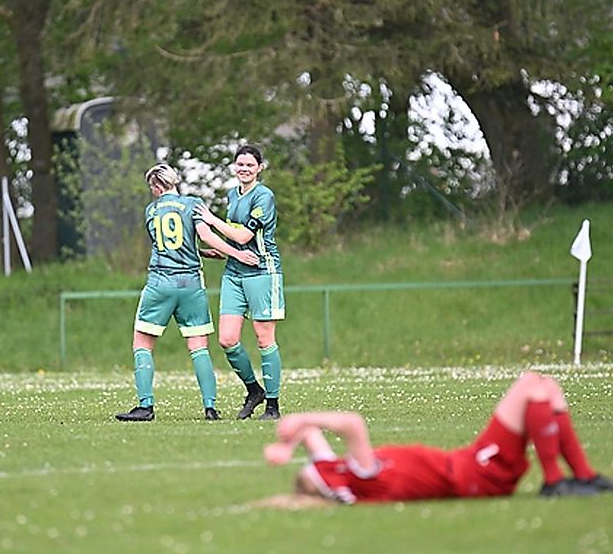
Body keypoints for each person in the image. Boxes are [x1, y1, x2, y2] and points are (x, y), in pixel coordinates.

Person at [259, 371, 613, 506]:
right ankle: (555, 482)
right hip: (476, 475)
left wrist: (287, 443)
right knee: (531, 387)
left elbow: (312, 439)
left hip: (470, 464)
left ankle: (583, 476)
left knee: (543, 386)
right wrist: (304, 420)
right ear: (328, 485)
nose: (322, 462)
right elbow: (352, 423)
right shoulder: (360, 478)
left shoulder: (337, 473)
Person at [116, 163, 259, 422]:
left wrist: (211, 252)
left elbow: (166, 246)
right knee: (199, 347)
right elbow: (205, 236)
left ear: (157, 186)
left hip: (160, 283)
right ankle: (210, 408)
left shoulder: (151, 210)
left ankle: (145, 406)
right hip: (191, 285)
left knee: (142, 344)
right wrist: (235, 254)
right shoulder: (192, 205)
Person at [196, 144, 284, 420]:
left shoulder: (264, 196)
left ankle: (273, 406)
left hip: (262, 271)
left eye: (250, 165)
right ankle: (254, 390)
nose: (244, 169)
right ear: (234, 166)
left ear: (260, 168)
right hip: (234, 272)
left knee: (264, 337)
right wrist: (219, 251)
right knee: (227, 339)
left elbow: (246, 236)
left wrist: (211, 220)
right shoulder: (232, 195)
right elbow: (234, 237)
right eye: (240, 164)